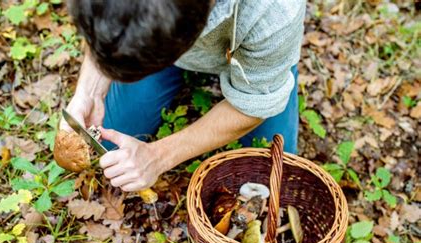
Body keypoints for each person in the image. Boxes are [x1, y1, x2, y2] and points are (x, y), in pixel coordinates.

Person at [61, 0, 305, 192]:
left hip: (250, 52)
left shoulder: (275, 12)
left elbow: (251, 107)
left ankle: (269, 71)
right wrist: (89, 92)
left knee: (264, 179)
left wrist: (159, 156)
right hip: (166, 35)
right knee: (113, 143)